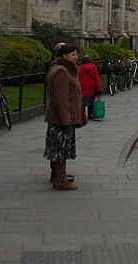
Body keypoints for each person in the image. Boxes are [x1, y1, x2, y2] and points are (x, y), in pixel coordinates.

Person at [44, 43, 86, 190]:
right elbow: (60, 99)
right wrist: (66, 120)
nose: (76, 57)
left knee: (59, 149)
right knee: (60, 149)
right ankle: (60, 179)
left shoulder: (65, 69)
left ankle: (59, 175)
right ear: (64, 56)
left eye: (76, 54)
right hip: (61, 119)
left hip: (62, 118)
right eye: (73, 54)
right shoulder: (62, 71)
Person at [77, 54, 102, 119]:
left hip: (82, 86)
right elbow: (96, 78)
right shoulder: (93, 67)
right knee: (91, 101)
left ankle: (82, 115)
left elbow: (77, 77)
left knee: (82, 102)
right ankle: (89, 114)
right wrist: (99, 88)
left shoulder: (80, 67)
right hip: (91, 87)